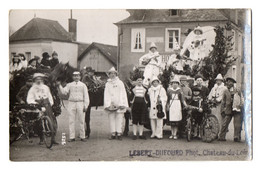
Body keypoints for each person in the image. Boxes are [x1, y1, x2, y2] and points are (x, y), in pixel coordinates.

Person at [27, 73, 58, 145]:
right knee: (38, 122)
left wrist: (50, 103)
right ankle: (41, 138)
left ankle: (53, 139)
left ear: (42, 80)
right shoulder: (32, 89)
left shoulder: (46, 87)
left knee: (51, 120)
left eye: (40, 79)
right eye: (37, 79)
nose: (39, 80)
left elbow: (49, 96)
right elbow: (29, 99)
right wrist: (34, 104)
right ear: (34, 80)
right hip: (38, 106)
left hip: (47, 105)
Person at [57, 71, 89, 142]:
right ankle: (72, 137)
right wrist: (59, 85)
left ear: (80, 77)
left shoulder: (83, 85)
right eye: (75, 76)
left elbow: (86, 96)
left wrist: (85, 105)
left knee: (81, 120)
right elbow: (64, 92)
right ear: (73, 77)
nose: (76, 77)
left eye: (77, 76)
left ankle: (82, 136)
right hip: (71, 103)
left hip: (80, 103)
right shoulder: (69, 85)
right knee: (71, 120)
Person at [104, 67, 129, 140]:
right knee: (111, 118)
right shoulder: (108, 84)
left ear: (116, 74)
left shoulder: (120, 83)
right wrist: (108, 104)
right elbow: (106, 94)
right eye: (111, 73)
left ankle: (119, 133)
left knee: (119, 118)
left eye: (114, 73)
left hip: (119, 103)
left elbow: (123, 93)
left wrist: (122, 103)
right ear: (109, 75)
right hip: (111, 104)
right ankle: (113, 133)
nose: (112, 75)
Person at [219, 77, 244, 142]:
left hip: (236, 109)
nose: (228, 83)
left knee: (237, 124)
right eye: (227, 82)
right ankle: (221, 136)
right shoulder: (225, 91)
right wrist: (222, 110)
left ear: (233, 83)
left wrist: (240, 106)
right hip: (228, 109)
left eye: (230, 82)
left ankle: (236, 137)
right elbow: (223, 101)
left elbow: (241, 99)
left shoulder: (237, 90)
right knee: (225, 123)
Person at [130, 76, 149, 140]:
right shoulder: (133, 89)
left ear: (142, 81)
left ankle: (141, 134)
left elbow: (147, 98)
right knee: (135, 120)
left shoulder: (145, 89)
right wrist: (130, 106)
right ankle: (134, 134)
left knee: (141, 120)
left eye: (141, 80)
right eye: (138, 80)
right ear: (136, 81)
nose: (140, 81)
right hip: (135, 105)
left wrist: (148, 106)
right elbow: (130, 98)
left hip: (143, 105)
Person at [82, 67, 97, 138]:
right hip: (86, 96)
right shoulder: (86, 77)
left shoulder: (92, 78)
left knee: (86, 115)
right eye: (90, 72)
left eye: (92, 72)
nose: (91, 73)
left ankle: (86, 131)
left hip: (89, 97)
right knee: (85, 115)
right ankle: (86, 130)